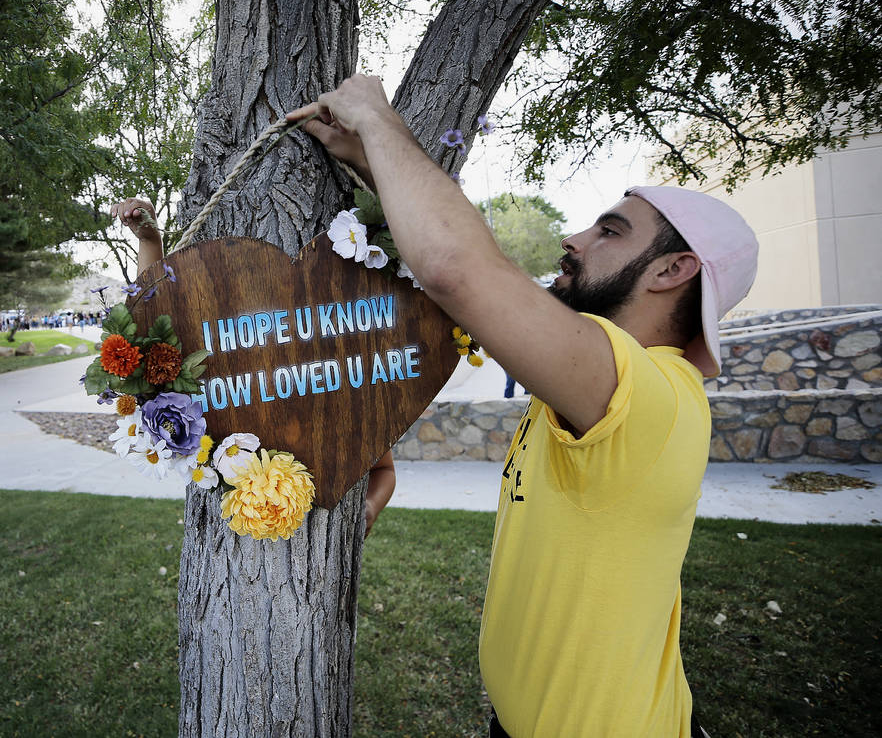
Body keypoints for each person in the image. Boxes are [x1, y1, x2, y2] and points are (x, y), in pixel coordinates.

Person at [287, 75, 757, 738]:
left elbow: (458, 267)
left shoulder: (652, 394)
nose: (574, 236)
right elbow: (487, 274)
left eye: (611, 232)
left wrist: (374, 118)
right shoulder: (594, 381)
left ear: (670, 271)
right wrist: (368, 160)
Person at [109, 197, 398, 539]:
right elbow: (156, 323)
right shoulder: (223, 374)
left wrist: (370, 507)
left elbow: (384, 470)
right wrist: (149, 242)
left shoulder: (343, 394)